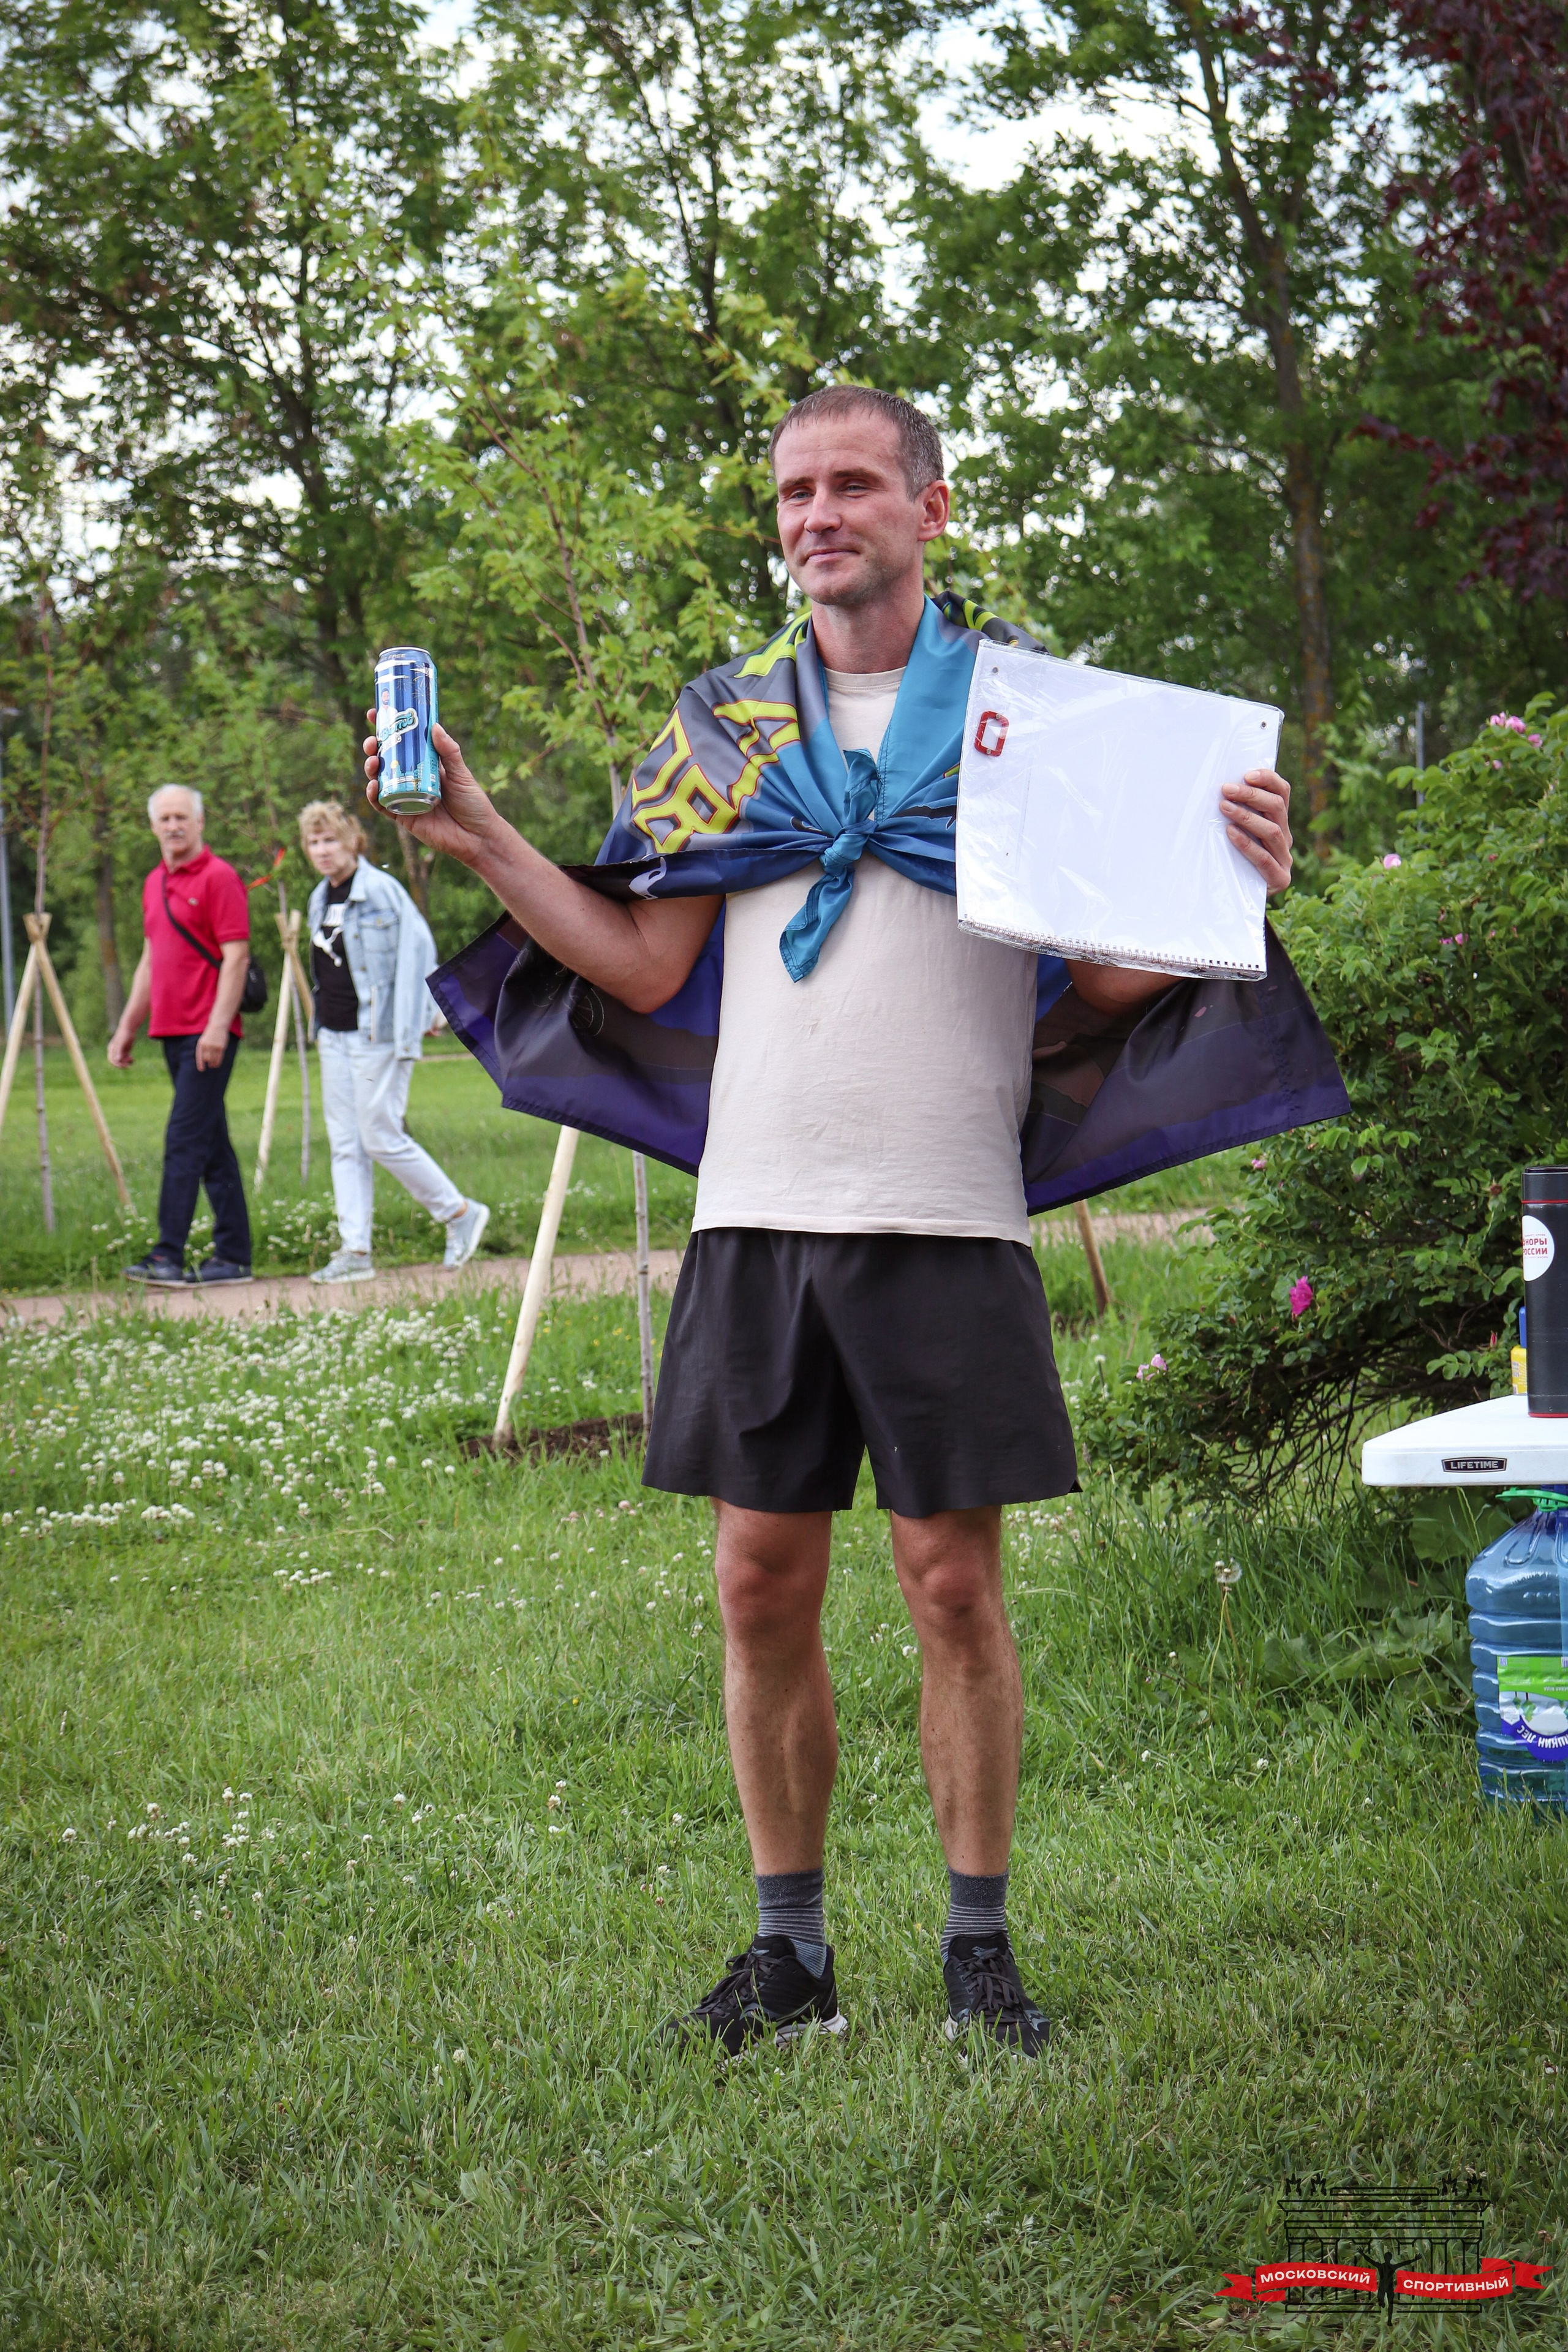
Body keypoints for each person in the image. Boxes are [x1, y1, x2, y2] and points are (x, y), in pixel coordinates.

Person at [362, 388, 1296, 2055]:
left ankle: (977, 1953)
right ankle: (789, 1958)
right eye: (795, 491)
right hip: (759, 1212)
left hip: (947, 1214)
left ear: (929, 509)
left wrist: (1230, 887)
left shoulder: (1027, 729)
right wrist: (478, 830)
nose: (818, 514)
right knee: (756, 1584)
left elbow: (1095, 978)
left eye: (854, 483)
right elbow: (649, 963)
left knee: (952, 1585)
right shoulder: (727, 729)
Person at [299, 799, 489, 1284]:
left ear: (352, 842)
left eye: (331, 840)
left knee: (379, 1135)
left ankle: (459, 1213)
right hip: (335, 1035)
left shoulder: (381, 892)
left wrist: (428, 1012)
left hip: (376, 1033)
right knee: (346, 1143)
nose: (323, 851)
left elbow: (418, 950)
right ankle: (355, 1250)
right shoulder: (320, 898)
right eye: (314, 842)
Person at [109, 784, 254, 1286]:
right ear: (154, 827)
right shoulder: (153, 883)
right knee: (212, 1144)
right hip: (170, 1031)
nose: (173, 826)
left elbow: (237, 957)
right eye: (164, 818)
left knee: (184, 1140)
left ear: (199, 823)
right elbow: (151, 961)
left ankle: (167, 1255)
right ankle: (233, 1257)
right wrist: (128, 1026)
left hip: (208, 1032)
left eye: (181, 817)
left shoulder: (219, 878)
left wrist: (217, 1026)